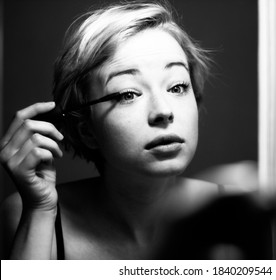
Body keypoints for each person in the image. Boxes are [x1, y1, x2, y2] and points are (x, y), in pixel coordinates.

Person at [0, 0, 232, 259]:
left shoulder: (238, 214)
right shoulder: (30, 213)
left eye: (177, 87)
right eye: (128, 94)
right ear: (86, 129)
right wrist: (40, 210)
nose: (163, 111)